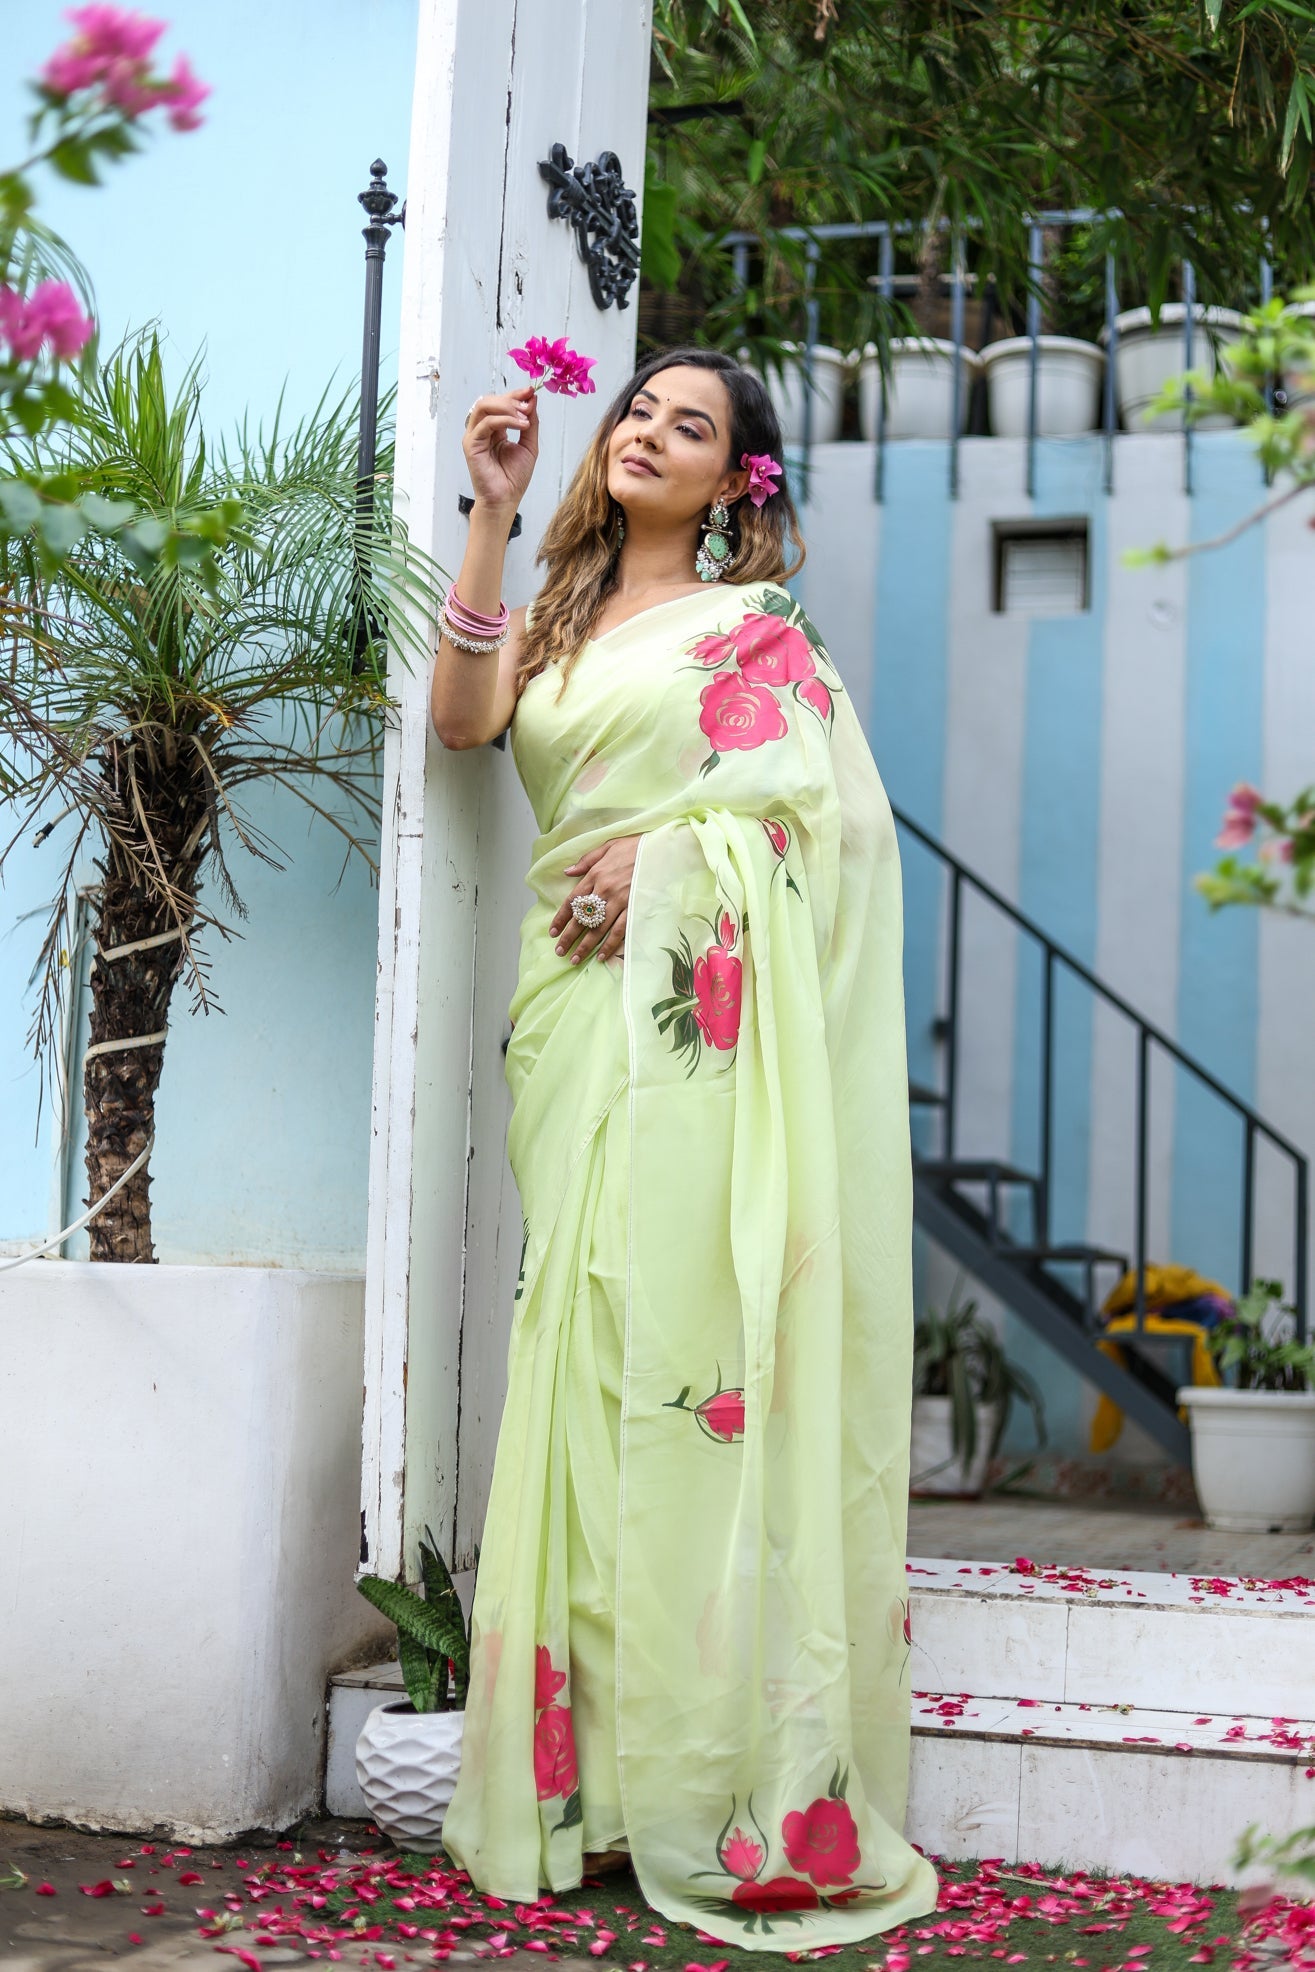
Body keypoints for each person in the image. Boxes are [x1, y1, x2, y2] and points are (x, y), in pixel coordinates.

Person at [432, 346, 939, 1950]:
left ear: (738, 485)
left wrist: (670, 854)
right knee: (580, 1360)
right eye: (641, 410)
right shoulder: (568, 615)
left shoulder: (756, 637)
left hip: (694, 1035)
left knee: (683, 1357)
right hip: (573, 1026)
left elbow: (832, 829)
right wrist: (494, 518)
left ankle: (709, 1770)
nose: (650, 432)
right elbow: (464, 725)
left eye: (691, 426)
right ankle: (582, 1787)